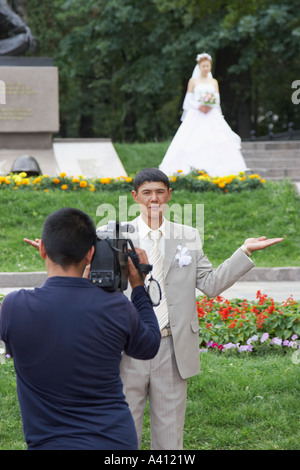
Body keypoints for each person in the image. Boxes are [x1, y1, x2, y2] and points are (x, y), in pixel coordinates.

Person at [119, 167, 283, 450]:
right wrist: (59, 263)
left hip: (172, 347)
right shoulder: (118, 235)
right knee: (121, 435)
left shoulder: (187, 235)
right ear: (135, 197)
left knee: (170, 439)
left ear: (169, 195)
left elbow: (210, 283)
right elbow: (99, 286)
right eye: (146, 192)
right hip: (128, 348)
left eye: (160, 191)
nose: (153, 198)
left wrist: (243, 252)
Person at [0, 207, 161, 450]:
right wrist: (138, 287)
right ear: (91, 254)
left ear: (43, 249)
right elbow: (149, 346)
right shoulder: (116, 306)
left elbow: (16, 346)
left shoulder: (14, 306)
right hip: (114, 443)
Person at [159, 52, 248, 177]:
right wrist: (199, 106)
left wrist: (209, 105)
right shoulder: (193, 81)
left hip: (211, 112)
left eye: (208, 66)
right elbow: (188, 99)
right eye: (203, 66)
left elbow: (217, 98)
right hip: (197, 112)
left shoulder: (214, 82)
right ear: (199, 67)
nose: (206, 68)